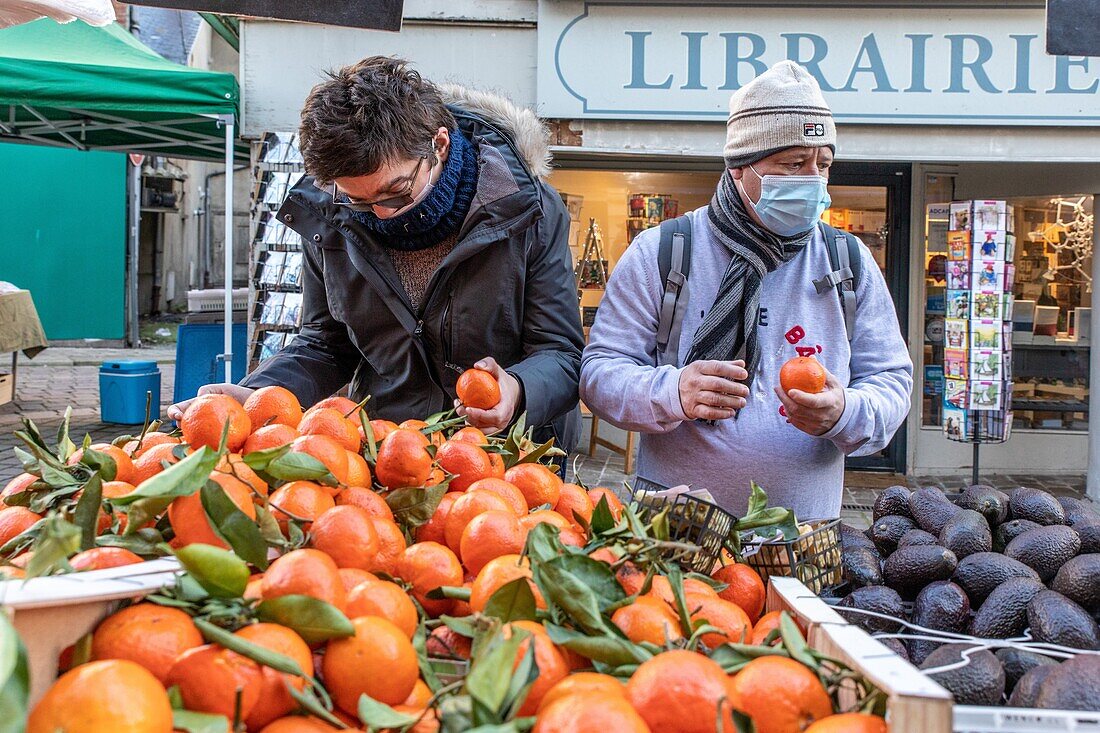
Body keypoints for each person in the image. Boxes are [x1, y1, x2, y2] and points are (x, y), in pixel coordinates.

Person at [169, 56, 583, 451]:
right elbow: (325, 344)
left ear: (438, 145)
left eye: (397, 191)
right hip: (389, 445)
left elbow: (562, 354)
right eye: (359, 202)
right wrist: (260, 394)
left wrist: (517, 388)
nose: (382, 214)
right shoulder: (328, 213)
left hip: (509, 453)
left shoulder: (530, 210)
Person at [580, 61, 912, 519]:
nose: (813, 179)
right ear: (739, 167)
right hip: (674, 532)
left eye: (824, 164)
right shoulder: (663, 251)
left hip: (802, 537)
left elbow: (892, 380)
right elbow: (599, 373)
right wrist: (672, 390)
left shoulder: (848, 260)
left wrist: (844, 412)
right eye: (794, 163)